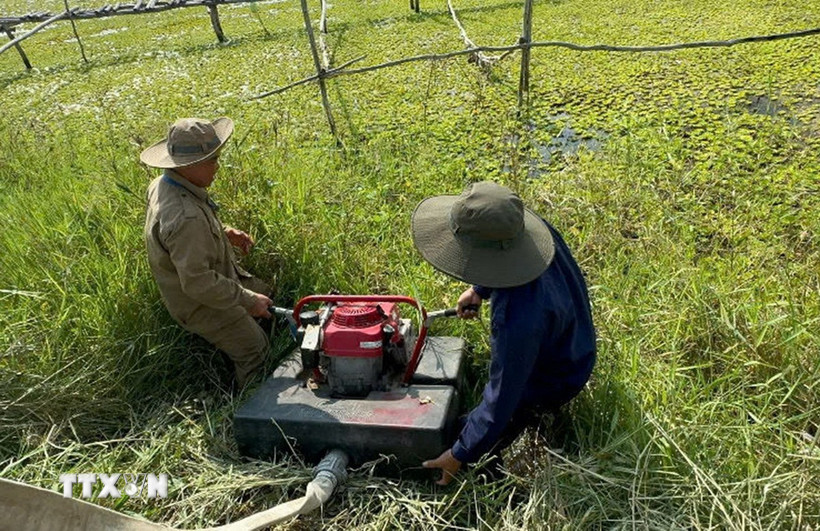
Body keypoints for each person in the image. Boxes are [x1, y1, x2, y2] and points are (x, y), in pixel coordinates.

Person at [412, 181, 596, 485]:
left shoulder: (517, 317)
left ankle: (482, 469)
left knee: (460, 437)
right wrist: (479, 289)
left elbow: (502, 398)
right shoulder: (525, 230)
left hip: (559, 376)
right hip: (574, 339)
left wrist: (460, 453)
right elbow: (506, 260)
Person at [141, 117, 273, 389]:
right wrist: (246, 300)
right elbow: (198, 282)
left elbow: (178, 237)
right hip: (198, 303)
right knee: (256, 349)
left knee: (268, 294)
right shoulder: (186, 218)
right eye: (212, 161)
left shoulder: (165, 184)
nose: (218, 166)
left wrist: (224, 232)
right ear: (188, 166)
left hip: (211, 280)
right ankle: (250, 412)